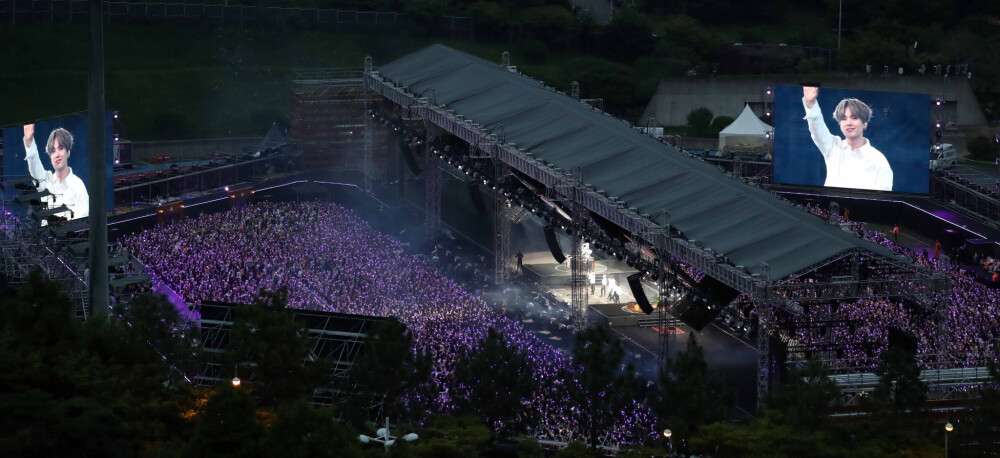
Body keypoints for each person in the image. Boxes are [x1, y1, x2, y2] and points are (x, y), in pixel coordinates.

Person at [802, 87, 893, 191]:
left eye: (854, 118)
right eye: (844, 119)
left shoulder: (878, 159)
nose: (849, 123)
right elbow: (817, 129)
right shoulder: (833, 147)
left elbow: (884, 198)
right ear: (840, 124)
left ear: (865, 123)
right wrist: (810, 103)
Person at [22, 124, 89, 224]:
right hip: (46, 238)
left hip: (69, 238)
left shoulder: (78, 185)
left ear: (68, 152)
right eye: (53, 151)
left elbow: (82, 221)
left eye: (61, 148)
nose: (57, 154)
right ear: (50, 156)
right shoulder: (46, 181)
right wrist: (28, 140)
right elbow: (34, 164)